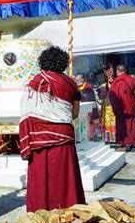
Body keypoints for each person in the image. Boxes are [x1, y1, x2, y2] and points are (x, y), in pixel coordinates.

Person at [19, 46, 86, 212]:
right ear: (63, 63)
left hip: (39, 139)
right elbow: (75, 113)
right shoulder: (70, 83)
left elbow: (27, 112)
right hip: (64, 138)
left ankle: (40, 217)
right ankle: (69, 217)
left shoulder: (35, 82)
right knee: (65, 180)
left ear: (43, 62)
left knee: (41, 180)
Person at [109, 65, 135, 152]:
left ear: (118, 71)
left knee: (122, 126)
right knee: (131, 126)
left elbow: (113, 95)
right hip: (130, 105)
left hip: (121, 107)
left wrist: (115, 106)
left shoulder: (116, 81)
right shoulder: (132, 79)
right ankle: (133, 145)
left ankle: (123, 145)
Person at [98, 65, 116, 143]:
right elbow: (100, 96)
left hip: (115, 106)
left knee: (114, 122)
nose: (110, 78)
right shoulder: (103, 85)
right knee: (107, 122)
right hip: (106, 106)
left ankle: (115, 138)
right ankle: (108, 139)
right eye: (109, 77)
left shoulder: (116, 85)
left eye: (111, 77)